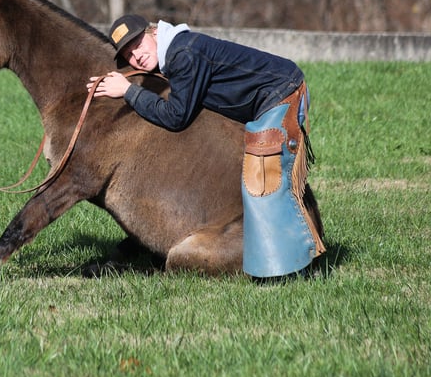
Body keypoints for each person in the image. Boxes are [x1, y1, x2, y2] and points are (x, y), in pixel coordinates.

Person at [87, 14, 325, 278]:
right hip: (269, 98)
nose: (137, 56)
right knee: (267, 181)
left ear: (152, 32)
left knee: (265, 185)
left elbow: (176, 116)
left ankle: (299, 266)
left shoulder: (183, 53)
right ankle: (294, 259)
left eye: (138, 43)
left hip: (281, 92)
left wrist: (128, 91)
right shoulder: (176, 53)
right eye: (129, 55)